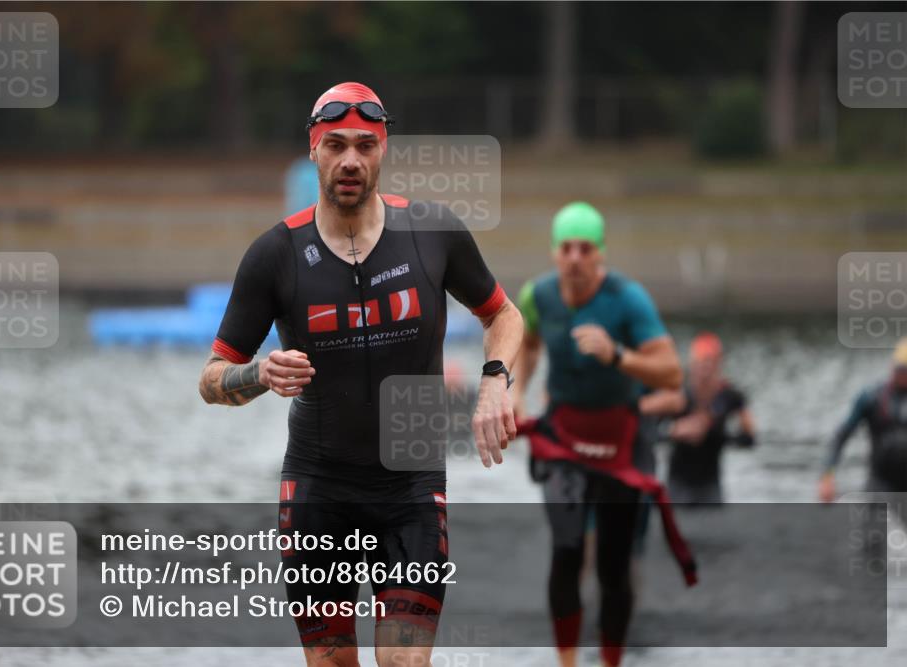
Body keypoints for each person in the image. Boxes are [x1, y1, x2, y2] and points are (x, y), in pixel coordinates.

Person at [198, 82, 524, 667]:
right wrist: (258, 374)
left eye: (365, 146)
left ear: (383, 150)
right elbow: (212, 377)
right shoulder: (275, 255)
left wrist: (496, 380)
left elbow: (502, 313)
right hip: (319, 487)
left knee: (403, 663)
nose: (351, 160)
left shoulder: (432, 233)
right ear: (314, 151)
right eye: (337, 145)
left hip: (412, 485)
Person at [512, 202, 686, 667]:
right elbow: (526, 344)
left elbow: (671, 374)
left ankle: (611, 660)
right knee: (567, 547)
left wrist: (617, 357)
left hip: (620, 441)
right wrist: (517, 392)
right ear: (554, 252)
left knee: (613, 563)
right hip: (564, 438)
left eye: (584, 248)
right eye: (565, 247)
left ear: (600, 254)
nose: (573, 257)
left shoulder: (628, 299)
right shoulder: (538, 295)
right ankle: (566, 662)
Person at [641, 332, 757, 505]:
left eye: (710, 364)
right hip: (678, 484)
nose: (705, 371)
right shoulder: (677, 396)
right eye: (701, 364)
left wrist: (712, 433)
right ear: (692, 365)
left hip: (711, 485)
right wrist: (674, 431)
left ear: (719, 365)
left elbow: (750, 439)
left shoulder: (729, 397)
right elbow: (647, 434)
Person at [818, 338, 907, 530]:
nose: (903, 375)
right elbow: (841, 436)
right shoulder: (872, 397)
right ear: (893, 367)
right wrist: (827, 475)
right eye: (901, 369)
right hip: (880, 480)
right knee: (871, 542)